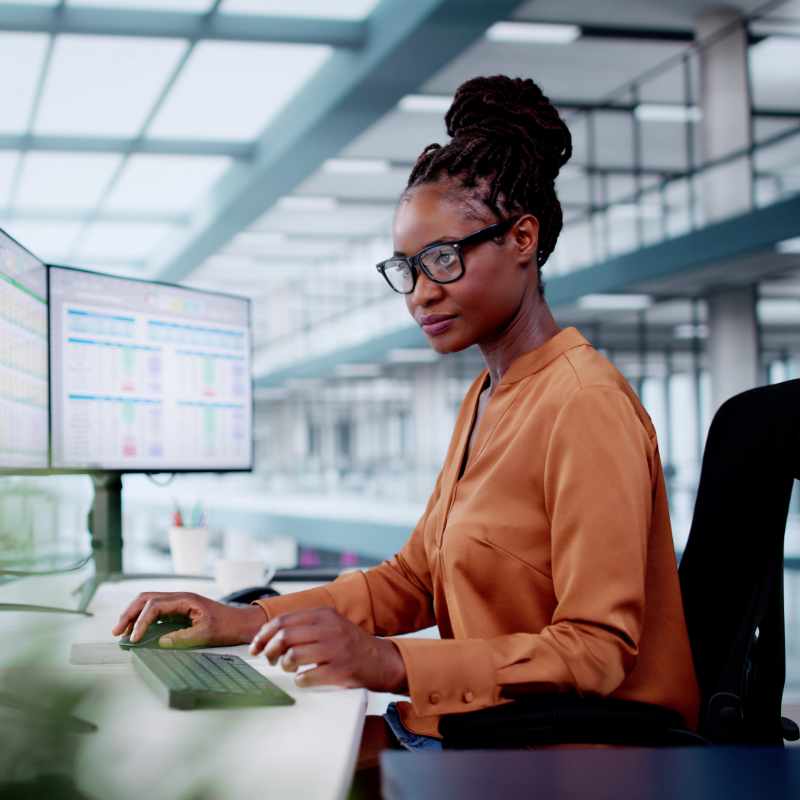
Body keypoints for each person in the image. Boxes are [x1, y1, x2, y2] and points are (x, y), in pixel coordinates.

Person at [113, 75, 699, 775]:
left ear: (522, 238)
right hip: (488, 729)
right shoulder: (490, 392)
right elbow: (413, 579)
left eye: (444, 260)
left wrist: (387, 661)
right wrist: (248, 619)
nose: (421, 292)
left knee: (266, 770)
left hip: (576, 753)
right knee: (237, 748)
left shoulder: (584, 404)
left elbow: (596, 651)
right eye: (407, 268)